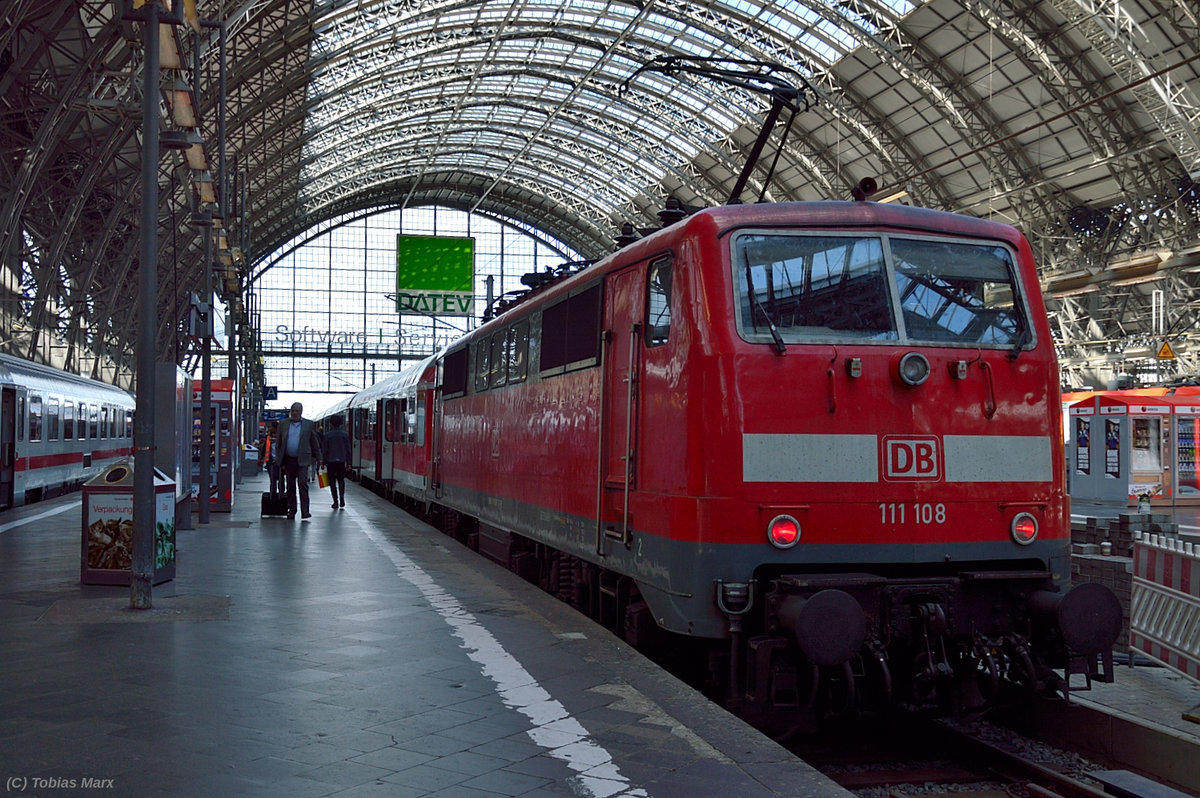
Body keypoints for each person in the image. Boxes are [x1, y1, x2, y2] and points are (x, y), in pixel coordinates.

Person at [278, 402, 322, 520]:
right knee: (290, 486)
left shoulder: (308, 425)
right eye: (292, 410)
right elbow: (279, 443)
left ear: (301, 412)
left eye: (297, 411)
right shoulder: (283, 424)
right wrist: (278, 459)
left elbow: (314, 442)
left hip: (302, 460)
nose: (294, 413)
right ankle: (292, 510)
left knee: (303, 484)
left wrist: (319, 458)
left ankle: (305, 511)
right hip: (288, 459)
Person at [322, 415, 351, 509]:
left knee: (332, 482)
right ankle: (342, 498)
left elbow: (325, 450)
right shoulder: (345, 435)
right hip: (341, 462)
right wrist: (349, 462)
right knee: (341, 480)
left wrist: (323, 462)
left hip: (330, 462)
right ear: (341, 424)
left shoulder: (328, 435)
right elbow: (348, 450)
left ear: (330, 424)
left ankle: (335, 501)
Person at [263, 420, 281, 496]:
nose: (269, 428)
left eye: (270, 427)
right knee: (272, 480)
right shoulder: (268, 437)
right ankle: (272, 495)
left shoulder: (282, 437)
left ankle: (281, 494)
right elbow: (265, 448)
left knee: (281, 479)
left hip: (280, 462)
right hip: (270, 462)